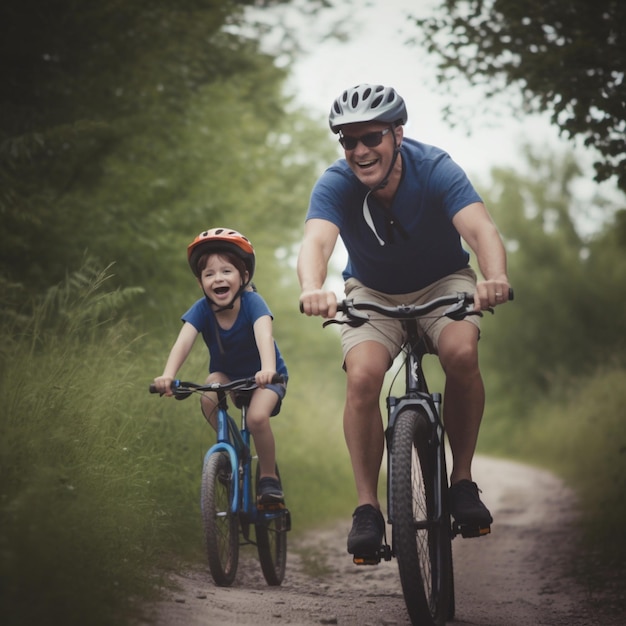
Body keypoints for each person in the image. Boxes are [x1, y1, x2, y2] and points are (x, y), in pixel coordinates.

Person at [297, 84, 511, 558]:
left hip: (443, 283)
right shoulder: (336, 182)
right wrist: (313, 287)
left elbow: (481, 229)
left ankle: (461, 482)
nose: (359, 151)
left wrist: (494, 277)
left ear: (397, 133)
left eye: (370, 137)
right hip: (371, 293)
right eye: (347, 141)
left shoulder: (435, 168)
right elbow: (316, 242)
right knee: (364, 376)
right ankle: (368, 509)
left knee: (461, 352)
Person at [153, 227, 288, 506]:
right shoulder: (201, 310)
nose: (218, 279)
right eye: (209, 274)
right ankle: (227, 452)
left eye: (226, 271)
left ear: (244, 277)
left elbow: (265, 336)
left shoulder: (253, 303)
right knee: (209, 388)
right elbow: (183, 343)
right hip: (228, 377)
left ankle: (267, 477)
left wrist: (266, 369)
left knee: (256, 419)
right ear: (201, 282)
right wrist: (168, 375)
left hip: (267, 376)